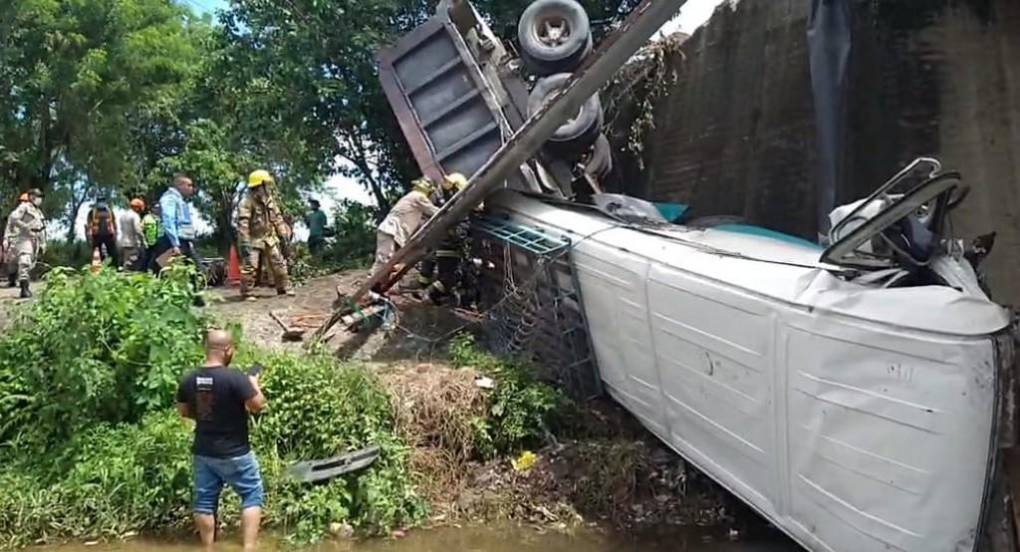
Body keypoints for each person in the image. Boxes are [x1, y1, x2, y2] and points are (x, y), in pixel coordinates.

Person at [176, 329, 266, 552]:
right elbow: (258, 405)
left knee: (204, 502)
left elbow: (184, 411)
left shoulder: (189, 378)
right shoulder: (235, 377)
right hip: (235, 452)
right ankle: (248, 548)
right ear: (227, 350)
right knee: (251, 494)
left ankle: (208, 548)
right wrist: (253, 382)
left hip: (204, 452)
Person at [371, 177, 440, 289]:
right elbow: (435, 212)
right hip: (390, 229)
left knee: (391, 262)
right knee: (384, 260)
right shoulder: (418, 197)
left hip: (396, 233)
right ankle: (369, 287)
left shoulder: (414, 201)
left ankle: (377, 288)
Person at [237, 170, 293, 301]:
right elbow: (243, 223)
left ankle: (283, 287)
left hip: (269, 237)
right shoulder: (247, 202)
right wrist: (244, 241)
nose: (268, 187)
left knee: (278, 262)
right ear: (259, 185)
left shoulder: (270, 200)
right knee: (250, 266)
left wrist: (283, 235)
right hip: (253, 238)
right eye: (266, 184)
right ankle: (247, 293)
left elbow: (278, 219)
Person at [417, 173, 467, 295]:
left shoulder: (442, 200)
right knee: (447, 278)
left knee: (429, 267)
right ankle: (428, 294)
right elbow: (459, 232)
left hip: (437, 243)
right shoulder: (453, 205)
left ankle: (424, 288)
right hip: (447, 245)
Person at [4, 189, 47, 298]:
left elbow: (41, 228)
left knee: (30, 262)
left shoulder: (38, 212)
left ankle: (19, 281)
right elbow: (13, 219)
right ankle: (24, 288)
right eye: (38, 197)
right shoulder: (24, 207)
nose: (40, 200)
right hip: (24, 237)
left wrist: (43, 242)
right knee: (24, 260)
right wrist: (25, 227)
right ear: (32, 197)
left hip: (35, 239)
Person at [85, 195, 119, 267]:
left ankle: (114, 268)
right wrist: (89, 238)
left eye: (102, 201)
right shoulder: (92, 212)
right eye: (100, 201)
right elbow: (89, 225)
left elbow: (114, 223)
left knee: (113, 253)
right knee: (97, 254)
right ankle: (98, 269)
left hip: (108, 235)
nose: (101, 203)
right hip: (97, 236)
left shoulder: (109, 211)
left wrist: (115, 234)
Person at [4, 193, 29, 288]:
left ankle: (24, 285)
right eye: (23, 201)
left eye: (26, 202)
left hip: (26, 241)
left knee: (25, 262)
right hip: (14, 240)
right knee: (11, 262)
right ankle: (12, 281)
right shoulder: (14, 214)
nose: (24, 204)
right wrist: (6, 239)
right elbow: (8, 227)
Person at [118, 198, 146, 271]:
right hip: (132, 243)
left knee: (125, 263)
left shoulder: (123, 216)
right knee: (132, 265)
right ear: (136, 207)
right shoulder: (135, 216)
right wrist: (143, 241)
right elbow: (138, 230)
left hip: (122, 242)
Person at [142, 202, 162, 269]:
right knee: (146, 259)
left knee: (158, 260)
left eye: (158, 208)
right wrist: (144, 241)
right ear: (152, 209)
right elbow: (141, 230)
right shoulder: (147, 218)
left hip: (159, 243)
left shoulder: (162, 218)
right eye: (155, 208)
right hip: (149, 243)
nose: (157, 209)